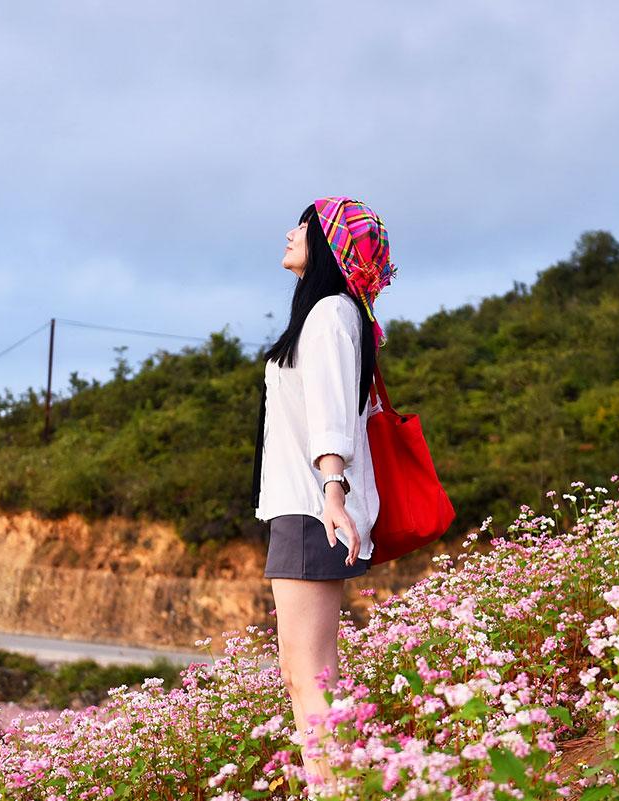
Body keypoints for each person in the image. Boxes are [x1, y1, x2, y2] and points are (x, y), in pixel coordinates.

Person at [251, 196, 397, 789]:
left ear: (331, 246)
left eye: (304, 227)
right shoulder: (325, 314)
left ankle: (334, 789)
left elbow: (334, 413)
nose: (290, 233)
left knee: (311, 677)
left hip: (316, 508)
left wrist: (333, 490)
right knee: (302, 674)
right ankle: (331, 786)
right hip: (301, 505)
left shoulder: (332, 312)